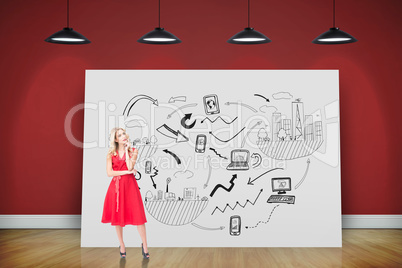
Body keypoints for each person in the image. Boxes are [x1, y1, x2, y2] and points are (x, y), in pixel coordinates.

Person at [101, 127, 150, 259]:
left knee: (138, 217)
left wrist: (128, 153)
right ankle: (122, 244)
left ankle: (145, 245)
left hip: (130, 187)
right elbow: (109, 173)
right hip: (116, 188)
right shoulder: (111, 154)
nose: (124, 136)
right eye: (120, 135)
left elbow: (129, 166)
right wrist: (126, 172)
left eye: (124, 133)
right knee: (118, 218)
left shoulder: (134, 151)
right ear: (116, 139)